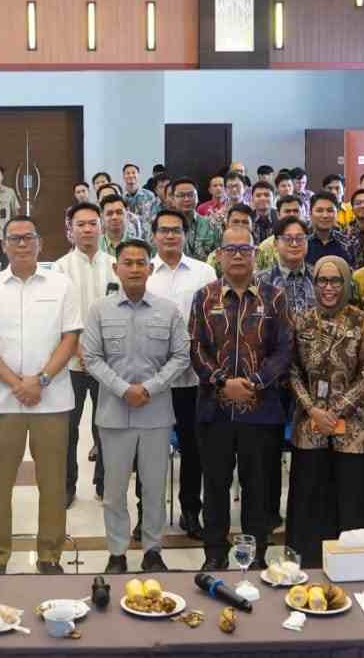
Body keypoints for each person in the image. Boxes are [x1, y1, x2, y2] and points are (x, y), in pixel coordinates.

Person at [0, 216, 83, 574]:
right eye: (14, 238)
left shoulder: (62, 286)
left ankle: (49, 555)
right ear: (3, 245)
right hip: (4, 400)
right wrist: (16, 383)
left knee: (52, 482)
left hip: (53, 399)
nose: (21, 244)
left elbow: (70, 338)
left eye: (28, 237)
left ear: (39, 243)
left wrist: (41, 380)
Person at [189, 224, 292, 570]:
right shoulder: (204, 297)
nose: (237, 255)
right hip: (214, 409)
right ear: (219, 255)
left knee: (257, 486)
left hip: (261, 410)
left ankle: (257, 553)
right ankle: (214, 554)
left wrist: (255, 382)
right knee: (215, 485)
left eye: (244, 249)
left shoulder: (274, 297)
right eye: (230, 249)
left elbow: (284, 349)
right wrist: (222, 382)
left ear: (255, 255)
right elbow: (195, 348)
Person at [83, 239, 189, 574]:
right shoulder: (99, 310)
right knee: (114, 492)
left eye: (140, 263)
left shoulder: (168, 311)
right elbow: (91, 357)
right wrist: (123, 389)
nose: (133, 269)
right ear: (116, 268)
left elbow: (181, 357)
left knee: (155, 489)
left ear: (150, 268)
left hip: (156, 416)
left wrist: (149, 388)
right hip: (114, 416)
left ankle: (152, 551)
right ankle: (117, 553)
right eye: (127, 263)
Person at [287, 255, 364, 568]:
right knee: (310, 491)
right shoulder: (302, 320)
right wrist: (313, 409)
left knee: (353, 494)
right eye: (322, 281)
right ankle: (309, 562)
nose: (328, 287)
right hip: (310, 422)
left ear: (346, 283)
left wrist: (336, 410)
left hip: (354, 425)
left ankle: (357, 565)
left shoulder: (363, 321)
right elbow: (292, 370)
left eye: (335, 281)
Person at [146, 208, 217, 540]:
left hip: (194, 377)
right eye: (164, 230)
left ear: (185, 235)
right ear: (154, 236)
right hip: (153, 378)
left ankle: (191, 511)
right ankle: (147, 514)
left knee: (194, 447)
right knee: (150, 449)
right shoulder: (144, 272)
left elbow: (214, 321)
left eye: (176, 230)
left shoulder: (204, 272)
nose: (170, 235)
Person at [53, 202, 118, 506]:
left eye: (93, 223)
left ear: (101, 227)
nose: (88, 229)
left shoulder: (115, 265)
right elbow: (58, 317)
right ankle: (67, 486)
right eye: (80, 224)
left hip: (109, 363)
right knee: (68, 429)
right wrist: (79, 349)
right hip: (71, 363)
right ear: (70, 230)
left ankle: (104, 483)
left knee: (106, 426)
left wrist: (99, 354)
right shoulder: (59, 269)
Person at [165, 178, 222, 261]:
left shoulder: (211, 224)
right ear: (173, 199)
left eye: (191, 195)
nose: (186, 199)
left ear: (197, 197)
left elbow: (219, 256)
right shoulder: (165, 227)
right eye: (181, 195)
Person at [305, 193, 354, 266]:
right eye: (319, 211)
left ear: (337, 213)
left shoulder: (347, 243)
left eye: (330, 210)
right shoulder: (302, 243)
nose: (325, 215)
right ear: (310, 214)